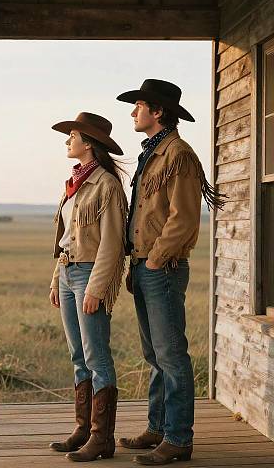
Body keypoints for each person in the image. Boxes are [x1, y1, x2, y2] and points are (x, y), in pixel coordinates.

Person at [115, 79, 225, 465]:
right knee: (155, 355)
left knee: (172, 355)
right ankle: (158, 429)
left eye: (139, 105)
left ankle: (178, 438)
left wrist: (157, 258)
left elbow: (183, 218)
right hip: (145, 265)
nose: (133, 112)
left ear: (157, 111)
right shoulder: (154, 153)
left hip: (161, 267)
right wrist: (137, 260)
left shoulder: (177, 154)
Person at [48, 112, 128, 462]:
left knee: (96, 356)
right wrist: (56, 278)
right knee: (77, 357)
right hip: (67, 272)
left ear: (89, 143)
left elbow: (112, 243)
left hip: (89, 274)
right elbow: (65, 239)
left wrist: (97, 287)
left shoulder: (106, 184)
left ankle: (101, 438)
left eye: (73, 135)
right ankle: (83, 429)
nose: (68, 141)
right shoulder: (74, 183)